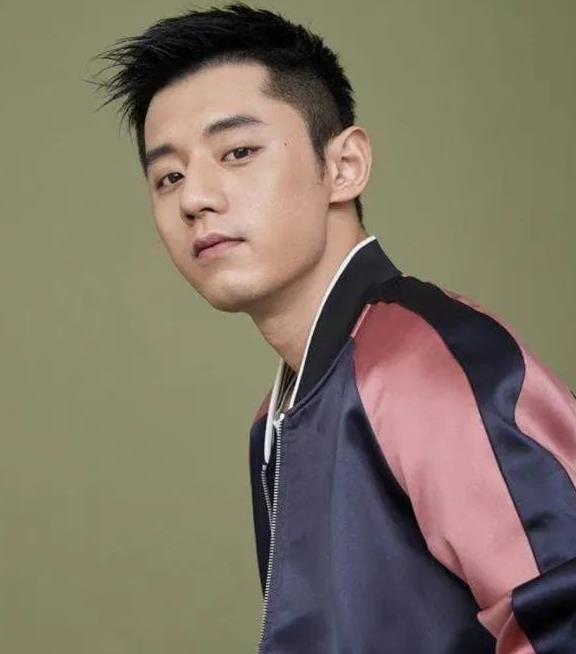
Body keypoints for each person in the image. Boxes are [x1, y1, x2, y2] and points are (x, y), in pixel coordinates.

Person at [89, 3, 576, 652]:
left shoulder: (419, 363)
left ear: (344, 166)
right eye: (168, 176)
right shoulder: (279, 416)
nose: (194, 198)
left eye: (238, 152)